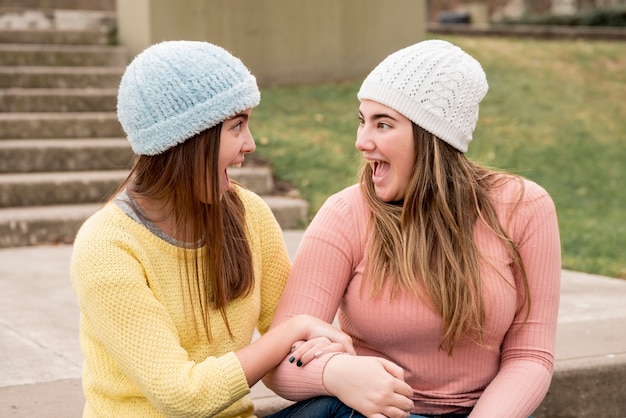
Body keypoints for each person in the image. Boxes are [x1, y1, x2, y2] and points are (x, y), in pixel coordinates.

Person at [263, 39, 562, 418]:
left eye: (383, 124)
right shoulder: (346, 213)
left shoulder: (523, 207)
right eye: (362, 120)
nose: (361, 141)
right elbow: (279, 361)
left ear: (433, 137)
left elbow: (530, 355)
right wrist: (337, 373)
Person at [70, 40, 354, 418]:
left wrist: (340, 369)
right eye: (237, 125)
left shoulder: (249, 214)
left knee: (342, 408)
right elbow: (182, 397)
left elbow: (291, 346)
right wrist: (296, 329)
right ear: (186, 139)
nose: (250, 144)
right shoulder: (106, 245)